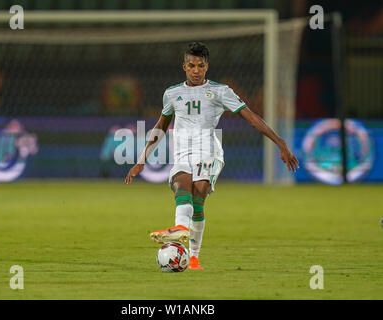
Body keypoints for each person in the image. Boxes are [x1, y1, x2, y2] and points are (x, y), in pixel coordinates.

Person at [125, 42, 299, 270]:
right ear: (184, 66)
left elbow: (252, 117)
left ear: (207, 67)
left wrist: (281, 142)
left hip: (209, 151)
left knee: (199, 191)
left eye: (200, 65)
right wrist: (141, 160)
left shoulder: (220, 91)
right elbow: (161, 126)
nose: (196, 70)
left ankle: (189, 247)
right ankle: (186, 242)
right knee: (181, 185)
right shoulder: (172, 93)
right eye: (191, 65)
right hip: (182, 153)